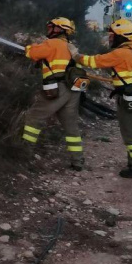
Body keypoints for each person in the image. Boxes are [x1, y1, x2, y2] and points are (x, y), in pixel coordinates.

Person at [72, 19, 132, 179]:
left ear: (121, 37)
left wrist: (75, 55)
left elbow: (94, 62)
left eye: (112, 36)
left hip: (128, 98)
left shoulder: (120, 53)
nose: (110, 39)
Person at [19, 17, 85, 171]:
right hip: (73, 91)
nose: (48, 29)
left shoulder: (52, 43)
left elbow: (33, 53)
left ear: (59, 29)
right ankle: (78, 161)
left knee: (33, 117)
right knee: (71, 126)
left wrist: (29, 48)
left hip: (56, 89)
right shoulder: (71, 47)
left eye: (51, 27)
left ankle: (25, 152)